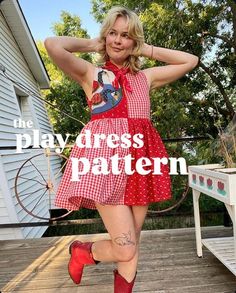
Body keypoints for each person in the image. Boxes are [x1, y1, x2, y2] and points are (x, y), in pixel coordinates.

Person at [44, 6, 199, 292]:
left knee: (133, 239)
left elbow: (190, 60)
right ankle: (83, 252)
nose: (118, 40)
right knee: (125, 247)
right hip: (105, 165)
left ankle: (100, 268)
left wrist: (146, 48)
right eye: (113, 33)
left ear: (134, 41)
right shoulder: (91, 72)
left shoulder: (145, 78)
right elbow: (53, 45)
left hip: (140, 163)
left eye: (126, 35)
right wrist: (94, 43)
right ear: (106, 36)